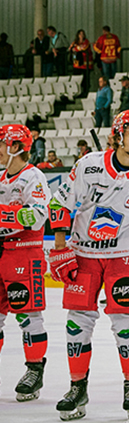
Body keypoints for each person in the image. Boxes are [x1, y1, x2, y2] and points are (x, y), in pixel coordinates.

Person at [46, 110, 129, 423]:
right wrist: (60, 248)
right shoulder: (88, 166)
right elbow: (60, 204)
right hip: (84, 255)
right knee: (77, 322)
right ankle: (77, 387)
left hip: (124, 257)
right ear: (117, 136)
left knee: (126, 323)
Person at [0, 124, 52, 402]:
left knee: (27, 313)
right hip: (1, 252)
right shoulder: (0, 178)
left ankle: (34, 369)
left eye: (0, 145)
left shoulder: (34, 176)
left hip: (24, 252)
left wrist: (4, 214)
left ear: (15, 147)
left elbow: (38, 215)